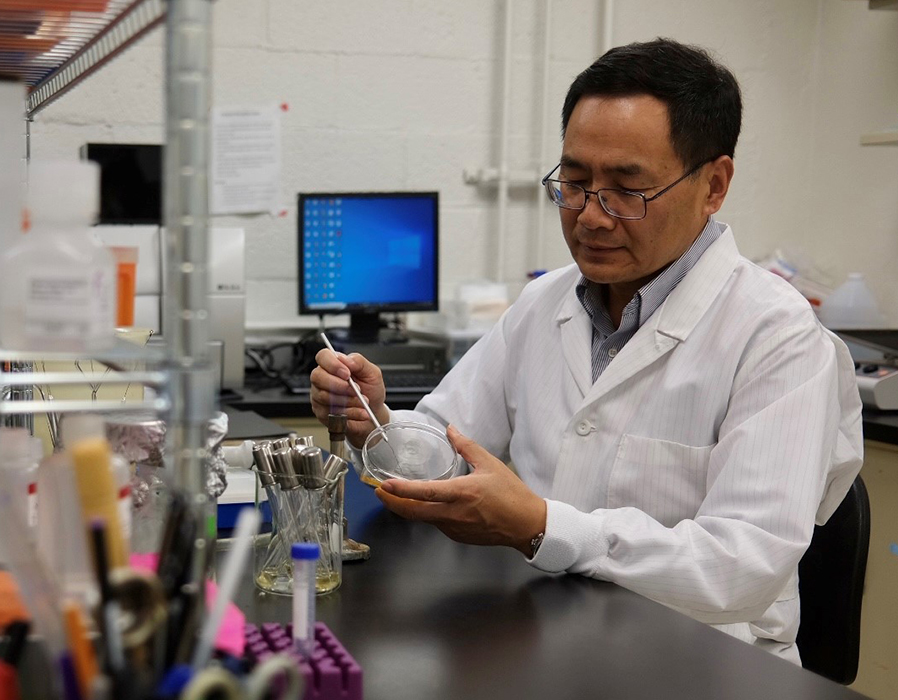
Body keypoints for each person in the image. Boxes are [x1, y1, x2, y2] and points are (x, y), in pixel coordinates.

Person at [308, 37, 862, 662]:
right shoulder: (546, 304)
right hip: (550, 630)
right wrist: (378, 424)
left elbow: (743, 566)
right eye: (573, 182)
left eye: (628, 189)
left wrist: (542, 527)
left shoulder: (777, 338)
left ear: (714, 185)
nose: (591, 217)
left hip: (703, 662)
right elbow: (447, 448)